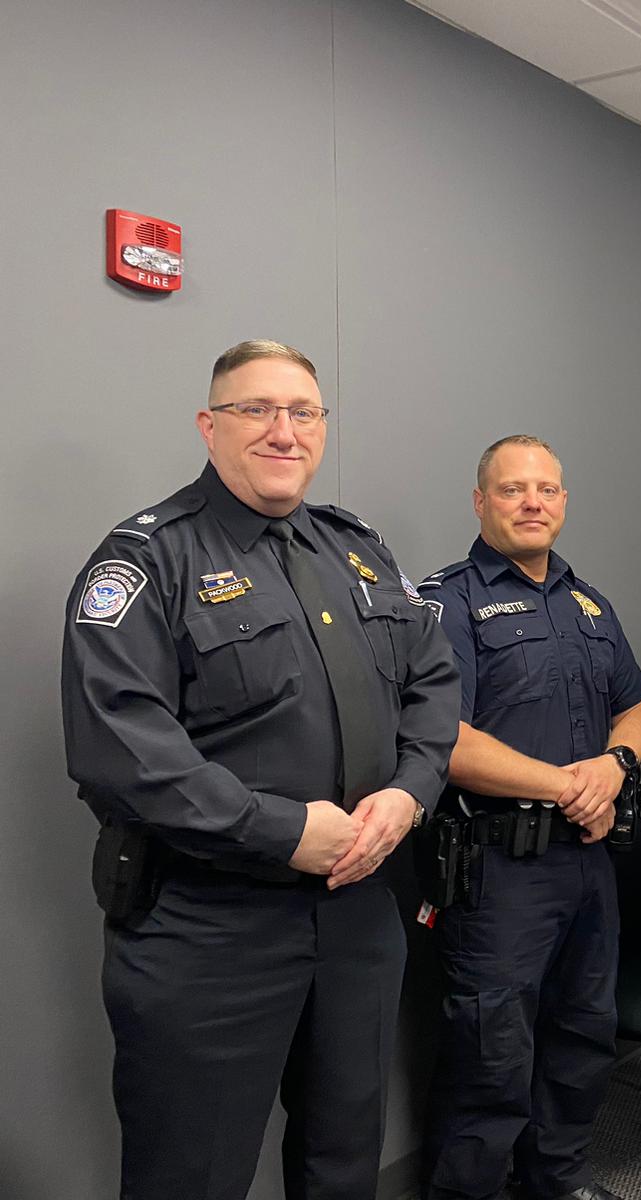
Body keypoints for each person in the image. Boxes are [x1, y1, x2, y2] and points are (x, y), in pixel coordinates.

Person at [60, 339, 460, 1200]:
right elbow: (122, 748)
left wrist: (410, 790)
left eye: (303, 413)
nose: (284, 431)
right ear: (211, 427)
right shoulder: (148, 559)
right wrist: (282, 832)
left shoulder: (355, 548)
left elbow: (432, 681)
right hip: (211, 928)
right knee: (192, 1175)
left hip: (358, 914)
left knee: (342, 1161)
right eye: (257, 410)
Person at [419, 435, 641, 1200]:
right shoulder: (449, 602)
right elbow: (444, 738)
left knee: (584, 1036)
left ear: (563, 502)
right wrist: (566, 785)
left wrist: (615, 768)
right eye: (514, 489)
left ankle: (555, 1180)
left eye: (547, 490)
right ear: (481, 501)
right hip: (498, 872)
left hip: (589, 863)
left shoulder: (589, 603)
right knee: (490, 1055)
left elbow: (637, 707)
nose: (533, 503)